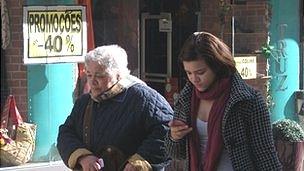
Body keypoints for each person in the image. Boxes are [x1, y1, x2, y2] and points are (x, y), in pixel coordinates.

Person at [165, 31, 282, 171]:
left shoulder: (248, 100)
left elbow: (266, 156)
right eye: (189, 73)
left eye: (200, 72)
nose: (194, 79)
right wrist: (174, 136)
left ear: (216, 66)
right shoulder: (186, 99)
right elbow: (176, 154)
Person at [57, 45, 173, 171]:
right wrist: (83, 157)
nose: (92, 82)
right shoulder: (84, 103)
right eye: (89, 75)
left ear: (118, 74)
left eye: (100, 76)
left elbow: (168, 130)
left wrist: (140, 161)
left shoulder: (143, 98)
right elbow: (66, 133)